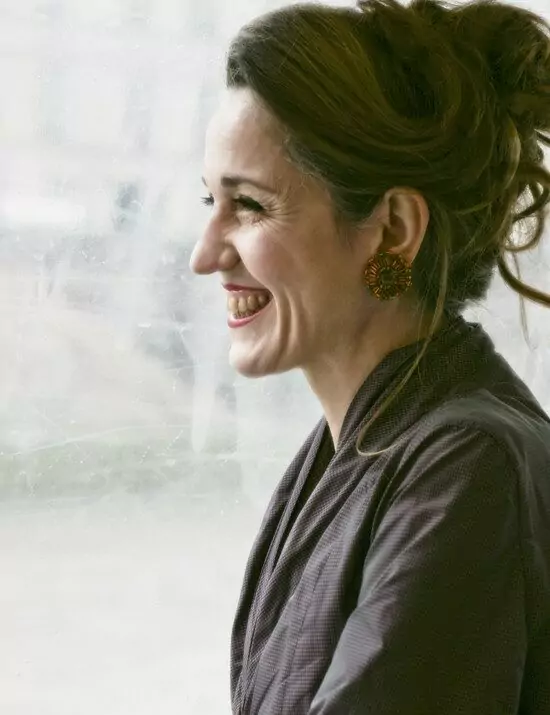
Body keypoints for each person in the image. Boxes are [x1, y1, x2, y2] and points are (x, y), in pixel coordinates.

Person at [189, 0, 550, 712]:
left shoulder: (467, 467)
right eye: (210, 202)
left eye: (251, 206)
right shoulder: (360, 447)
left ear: (391, 230)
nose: (206, 254)